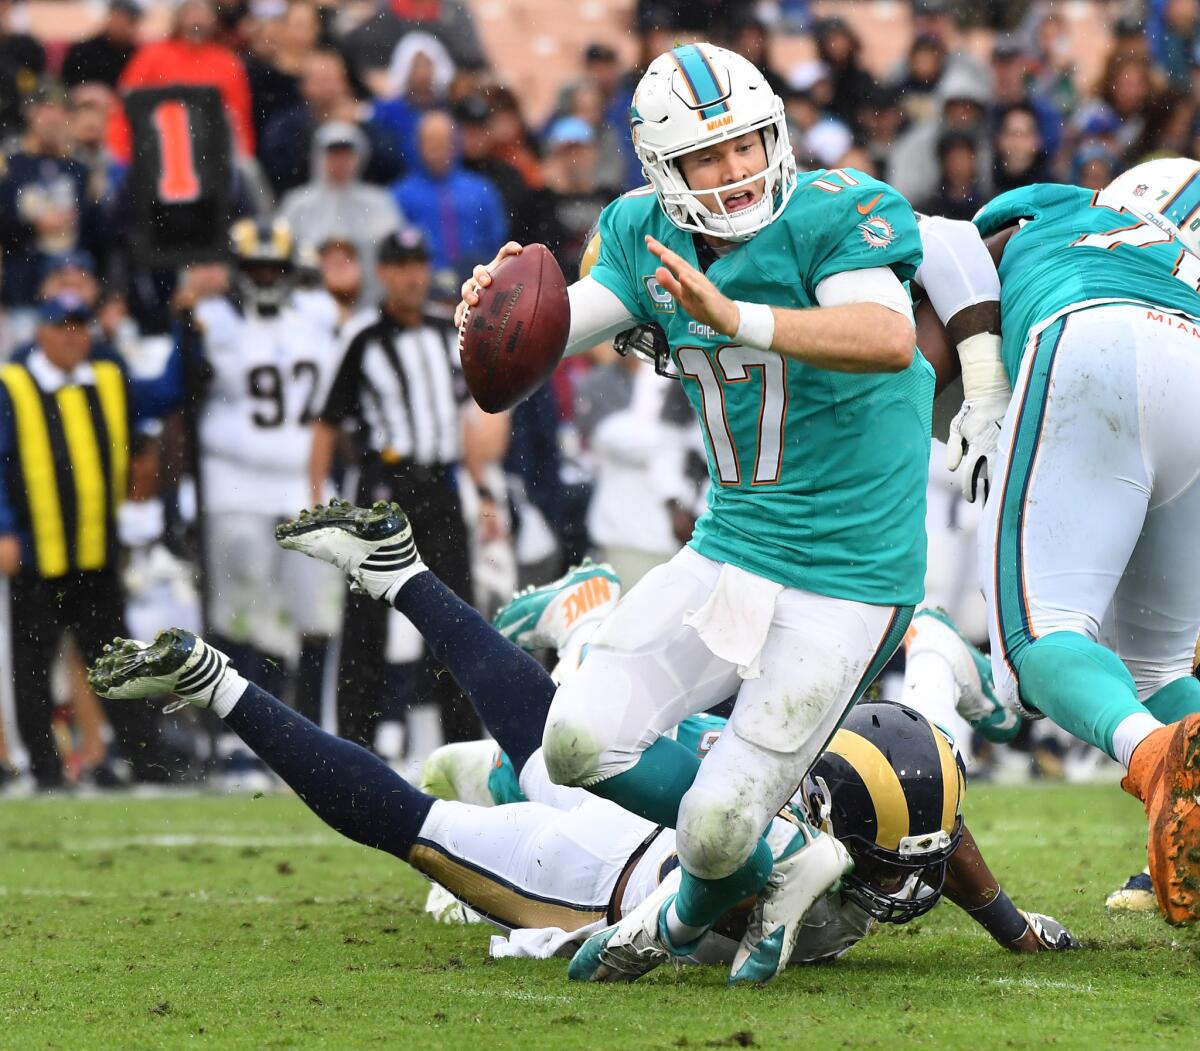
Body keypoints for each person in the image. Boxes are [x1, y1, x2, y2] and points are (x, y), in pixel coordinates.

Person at [87, 500, 1076, 966]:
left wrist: (1012, 925)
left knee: (557, 736)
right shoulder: (810, 867)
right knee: (417, 826)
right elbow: (671, 925)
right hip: (606, 878)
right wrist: (623, 944)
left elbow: (937, 827)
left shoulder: (863, 784)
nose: (920, 879)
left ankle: (402, 576)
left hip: (663, 820)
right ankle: (219, 686)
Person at [457, 42, 930, 985]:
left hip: (851, 571)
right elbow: (536, 350)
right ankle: (783, 855)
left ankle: (681, 913)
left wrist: (736, 316)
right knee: (579, 738)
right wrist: (489, 312)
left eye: (750, 144)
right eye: (709, 159)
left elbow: (887, 335)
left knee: (714, 830)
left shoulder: (844, 210)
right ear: (663, 172)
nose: (739, 171)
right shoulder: (641, 232)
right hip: (731, 548)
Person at [917, 156, 1200, 927]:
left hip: (1090, 333)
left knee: (1032, 640)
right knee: (1160, 664)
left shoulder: (1064, 208)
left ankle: (1152, 759)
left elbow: (950, 260)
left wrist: (978, 391)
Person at [309, 229, 491, 753]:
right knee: (366, 619)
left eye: (420, 263)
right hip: (385, 489)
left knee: (457, 618)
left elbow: (465, 419)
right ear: (383, 273)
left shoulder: (444, 331)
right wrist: (319, 500)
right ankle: (355, 747)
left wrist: (482, 489)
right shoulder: (362, 336)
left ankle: (466, 746)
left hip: (443, 485)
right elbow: (327, 422)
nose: (413, 275)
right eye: (402, 265)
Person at [0, 294, 175, 788]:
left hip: (95, 553)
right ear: (41, 334)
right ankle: (46, 772)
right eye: (64, 327)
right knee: (32, 667)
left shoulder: (106, 381)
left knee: (118, 663)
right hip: (39, 555)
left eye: (81, 327)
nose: (74, 336)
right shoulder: (11, 386)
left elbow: (167, 392)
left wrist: (186, 323)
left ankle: (148, 762)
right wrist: (5, 528)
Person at [186, 218, 345, 717]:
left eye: (275, 268)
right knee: (238, 611)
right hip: (235, 483)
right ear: (238, 270)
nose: (267, 279)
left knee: (317, 609)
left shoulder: (318, 315)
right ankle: (242, 730)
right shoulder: (214, 321)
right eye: (256, 268)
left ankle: (315, 725)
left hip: (304, 481)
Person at [277, 121, 404, 306]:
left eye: (347, 155)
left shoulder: (379, 203)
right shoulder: (298, 205)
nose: (340, 162)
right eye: (334, 154)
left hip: (371, 308)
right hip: (308, 308)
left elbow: (395, 256)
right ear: (319, 156)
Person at [390, 111, 508, 290]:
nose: (437, 148)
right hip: (425, 288)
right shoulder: (401, 194)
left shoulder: (480, 189)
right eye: (431, 141)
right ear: (418, 145)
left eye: (444, 141)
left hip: (479, 284)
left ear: (455, 143)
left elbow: (496, 238)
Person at [61, 0, 142, 89]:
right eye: (119, 17)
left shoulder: (138, 54)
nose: (122, 25)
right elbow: (67, 83)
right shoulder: (83, 51)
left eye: (130, 22)